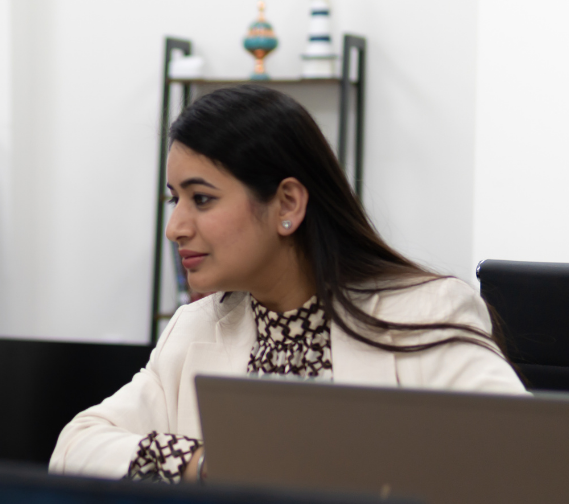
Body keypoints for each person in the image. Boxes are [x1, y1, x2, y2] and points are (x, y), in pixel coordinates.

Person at [50, 85, 525, 483]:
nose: (175, 226)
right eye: (175, 199)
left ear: (287, 205)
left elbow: (521, 462)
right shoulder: (195, 329)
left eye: (201, 198)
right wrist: (206, 465)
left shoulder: (426, 313)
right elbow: (75, 449)